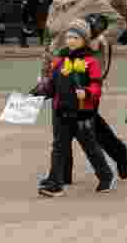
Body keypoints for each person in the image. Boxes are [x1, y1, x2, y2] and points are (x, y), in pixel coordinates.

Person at [40, 0, 127, 184]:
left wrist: (99, 40)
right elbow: (50, 38)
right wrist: (44, 71)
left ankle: (118, 152)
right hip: (59, 70)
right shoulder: (56, 2)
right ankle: (61, 175)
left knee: (86, 124)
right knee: (62, 120)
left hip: (83, 71)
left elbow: (119, 23)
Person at [34, 18, 115, 197]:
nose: (70, 41)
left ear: (84, 40)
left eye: (75, 37)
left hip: (81, 113)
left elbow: (96, 86)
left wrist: (86, 93)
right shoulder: (59, 60)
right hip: (60, 111)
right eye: (69, 37)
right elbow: (51, 85)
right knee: (59, 147)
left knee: (90, 146)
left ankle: (106, 175)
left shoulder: (90, 61)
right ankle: (55, 183)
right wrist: (40, 91)